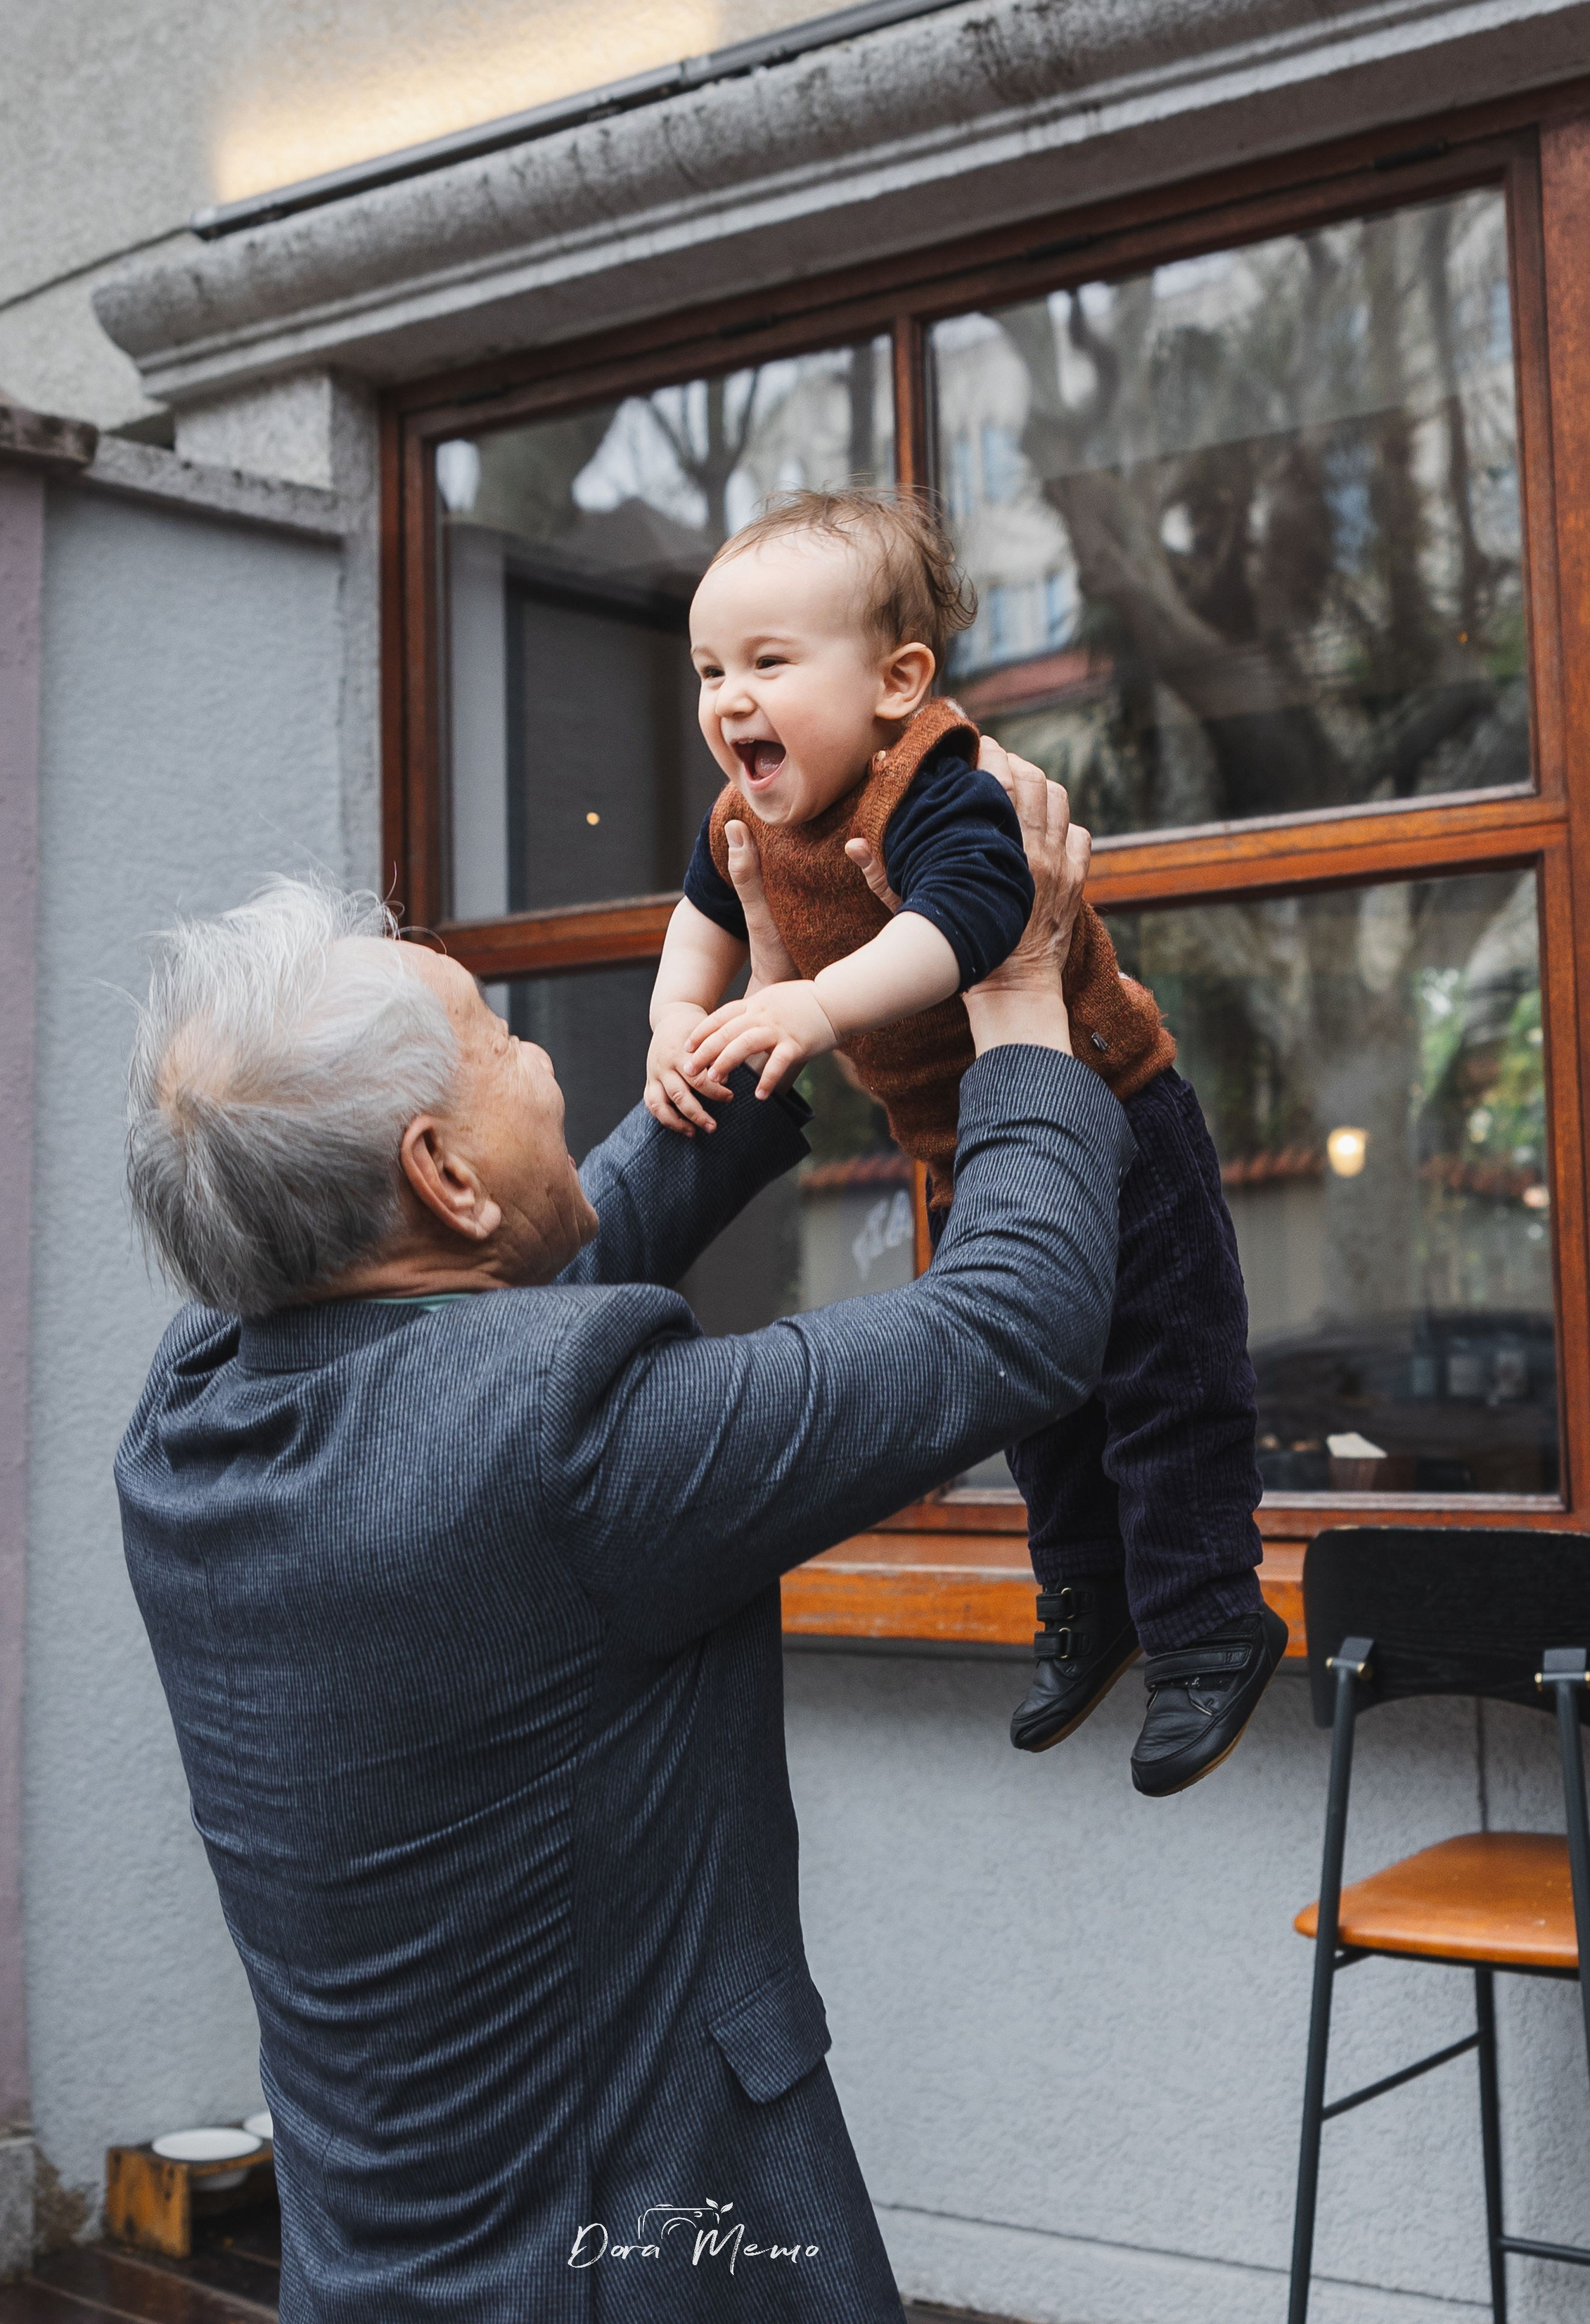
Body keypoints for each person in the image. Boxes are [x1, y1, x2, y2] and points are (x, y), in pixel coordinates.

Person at [115, 763, 1123, 2324]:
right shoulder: (559, 1445)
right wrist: (1012, 987)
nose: (538, 1059)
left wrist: (763, 1028)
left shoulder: (186, 1417)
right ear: (441, 1172)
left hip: (371, 2266)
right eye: (499, 1039)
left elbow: (477, 1298)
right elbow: (1016, 1321)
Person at [645, 489, 1286, 1798]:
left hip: (1114, 1111)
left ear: (898, 680)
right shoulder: (749, 816)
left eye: (769, 663)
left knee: (1162, 1377)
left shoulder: (933, 782)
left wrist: (817, 1003)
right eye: (711, 669)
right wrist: (673, 1017)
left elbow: (978, 920)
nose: (729, 700)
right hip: (969, 1144)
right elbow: (699, 922)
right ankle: (1088, 1598)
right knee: (1036, 1389)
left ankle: (1210, 1621)